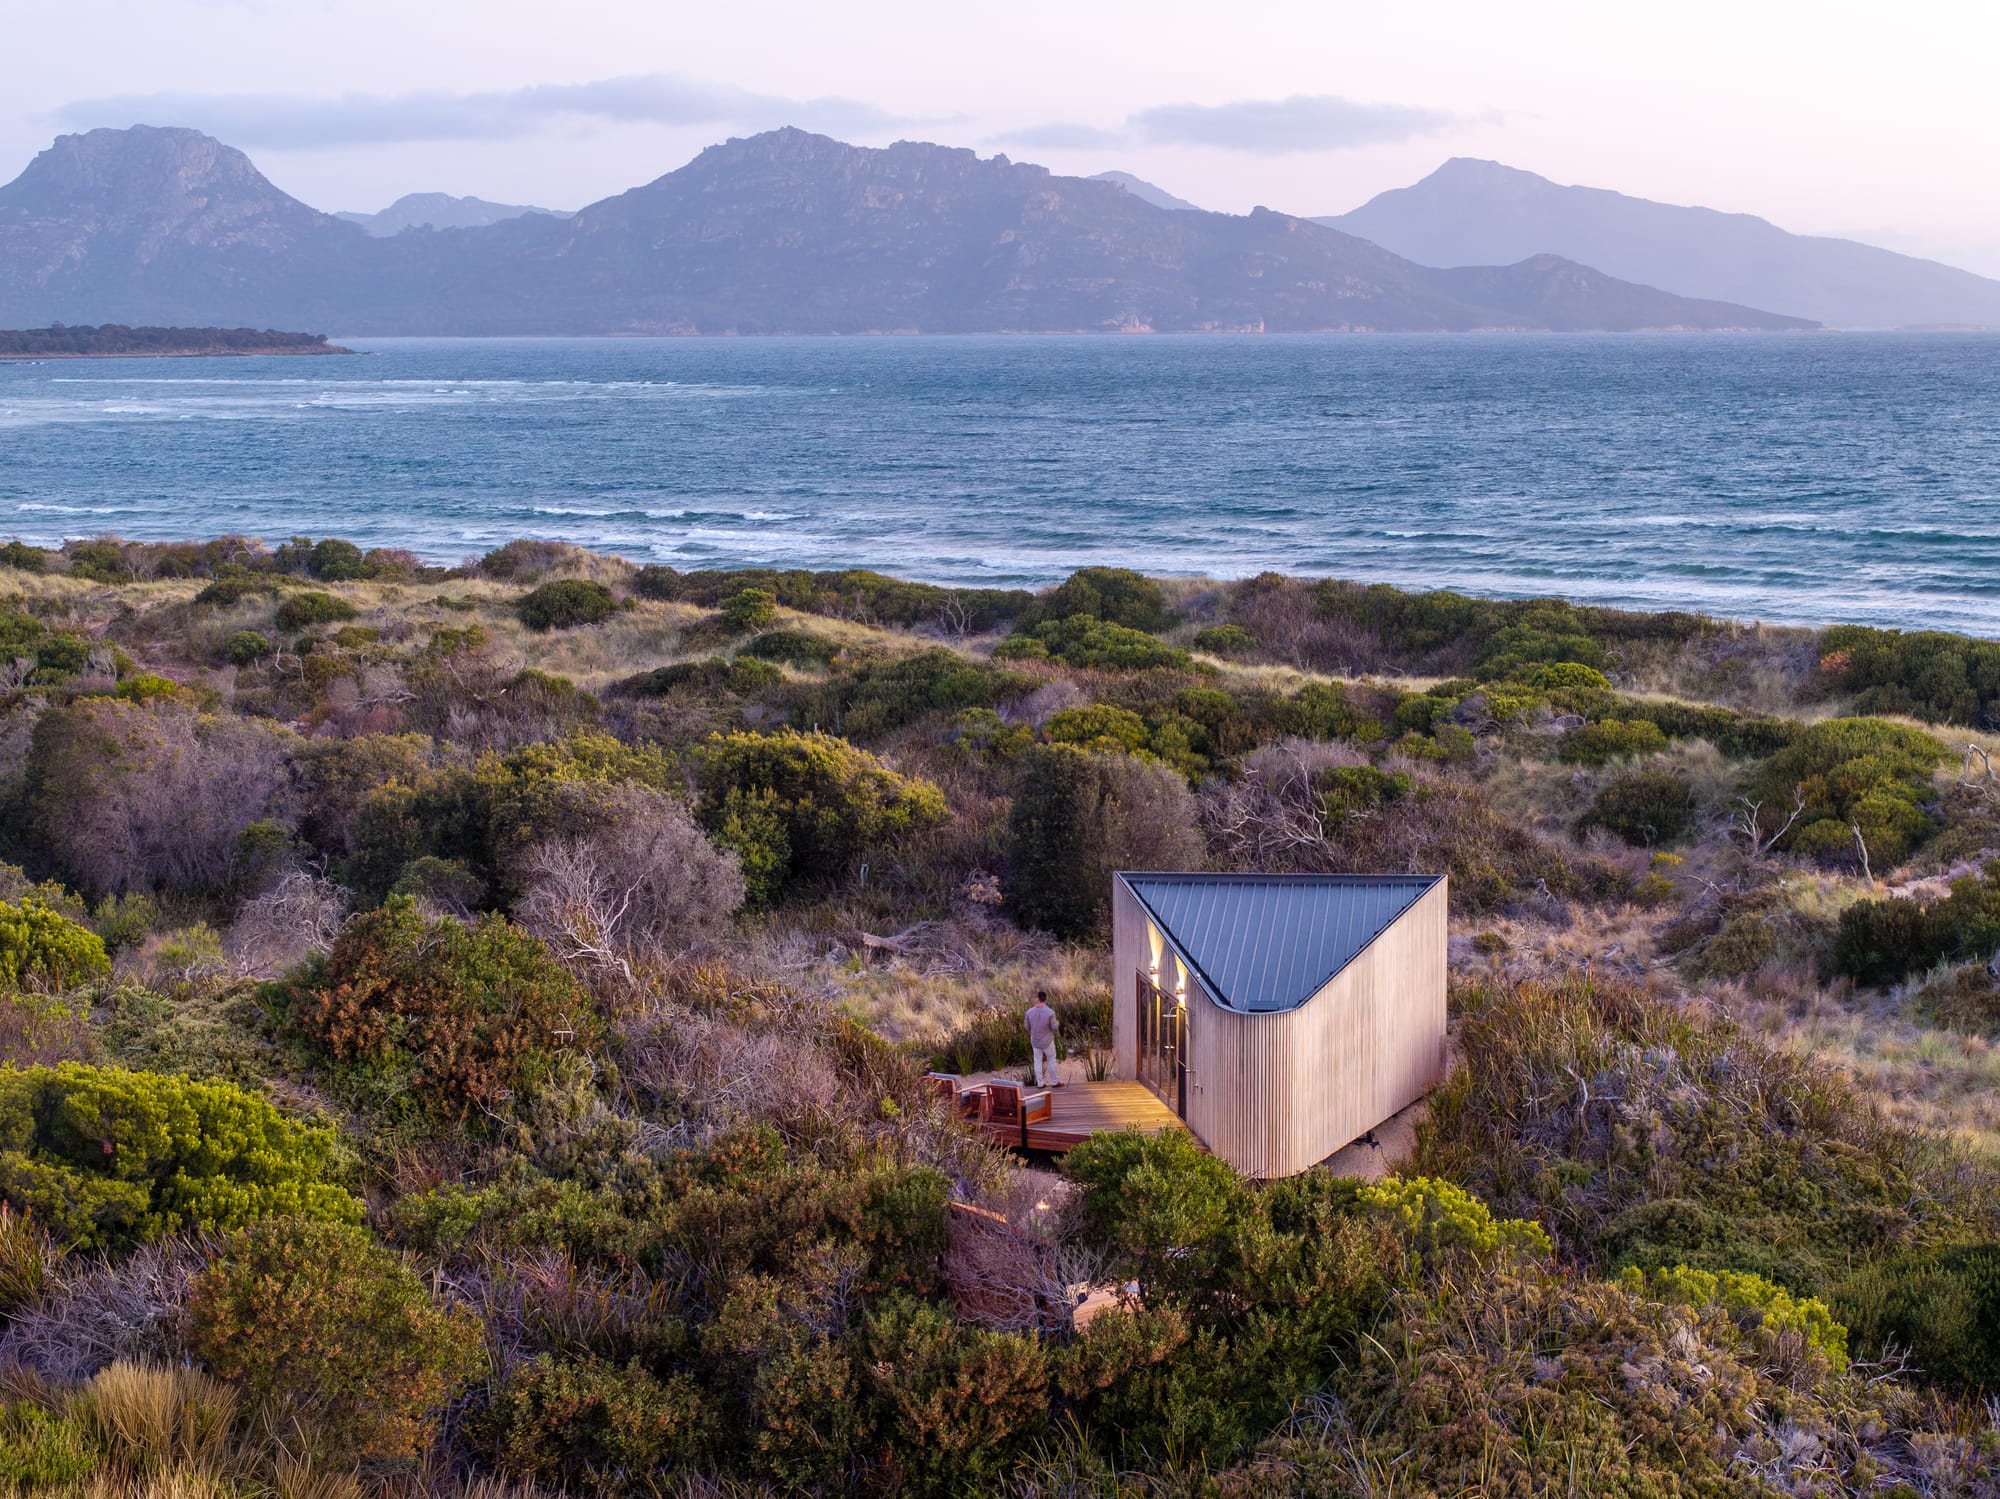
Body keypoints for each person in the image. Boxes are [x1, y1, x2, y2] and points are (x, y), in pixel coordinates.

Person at [1025, 990, 1061, 1088]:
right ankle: (1054, 1082)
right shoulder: (1050, 1012)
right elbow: (1054, 1027)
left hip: (1035, 1041)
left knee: (1037, 1061)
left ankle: (1040, 1083)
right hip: (1047, 1041)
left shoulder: (1029, 1012)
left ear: (1037, 999)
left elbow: (1027, 1027)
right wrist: (1057, 1023)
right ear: (1045, 998)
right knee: (1051, 1060)